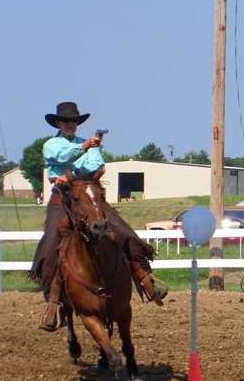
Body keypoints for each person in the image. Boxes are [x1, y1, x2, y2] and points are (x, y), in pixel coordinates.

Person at [29, 101, 166, 332]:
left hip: (86, 194)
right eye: (66, 121)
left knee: (122, 230)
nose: (70, 124)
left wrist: (84, 160)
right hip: (62, 197)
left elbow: (96, 166)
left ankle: (145, 277)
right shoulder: (51, 144)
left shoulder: (89, 146)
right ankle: (51, 298)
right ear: (58, 123)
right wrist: (84, 147)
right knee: (52, 239)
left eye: (73, 121)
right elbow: (61, 157)